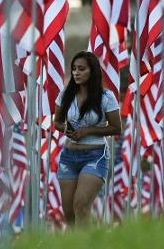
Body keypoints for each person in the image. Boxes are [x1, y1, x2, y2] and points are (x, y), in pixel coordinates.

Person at [54, 51, 121, 226]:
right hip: (68, 156)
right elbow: (57, 123)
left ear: (92, 71)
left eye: (81, 69)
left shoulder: (106, 97)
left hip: (95, 156)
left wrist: (88, 131)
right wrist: (66, 129)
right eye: (74, 69)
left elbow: (116, 127)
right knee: (69, 213)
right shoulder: (65, 95)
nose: (76, 72)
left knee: (81, 205)